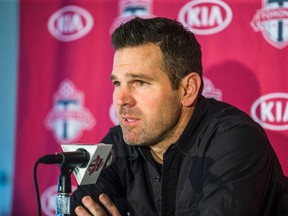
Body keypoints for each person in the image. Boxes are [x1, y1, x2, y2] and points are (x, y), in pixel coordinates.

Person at [71, 17, 288, 216]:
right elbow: (78, 209)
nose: (121, 99)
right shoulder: (116, 142)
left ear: (188, 89)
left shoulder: (236, 140)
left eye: (139, 82)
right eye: (117, 83)